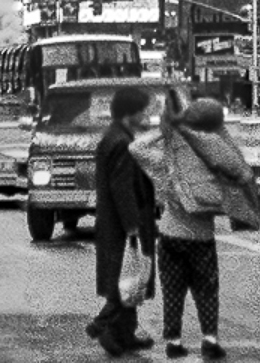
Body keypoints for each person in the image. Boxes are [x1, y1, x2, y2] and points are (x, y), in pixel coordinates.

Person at [132, 96, 254, 361]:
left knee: (173, 290)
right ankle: (210, 341)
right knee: (206, 290)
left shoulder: (167, 159)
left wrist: (163, 131)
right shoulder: (212, 151)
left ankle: (174, 342)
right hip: (202, 235)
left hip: (170, 234)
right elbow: (243, 173)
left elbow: (136, 148)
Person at [89, 85, 158, 357]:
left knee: (130, 280)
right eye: (143, 110)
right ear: (130, 112)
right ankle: (102, 326)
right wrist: (132, 226)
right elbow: (122, 188)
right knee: (126, 280)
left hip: (115, 223)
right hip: (122, 226)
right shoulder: (122, 142)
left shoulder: (116, 136)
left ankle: (125, 335)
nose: (147, 116)